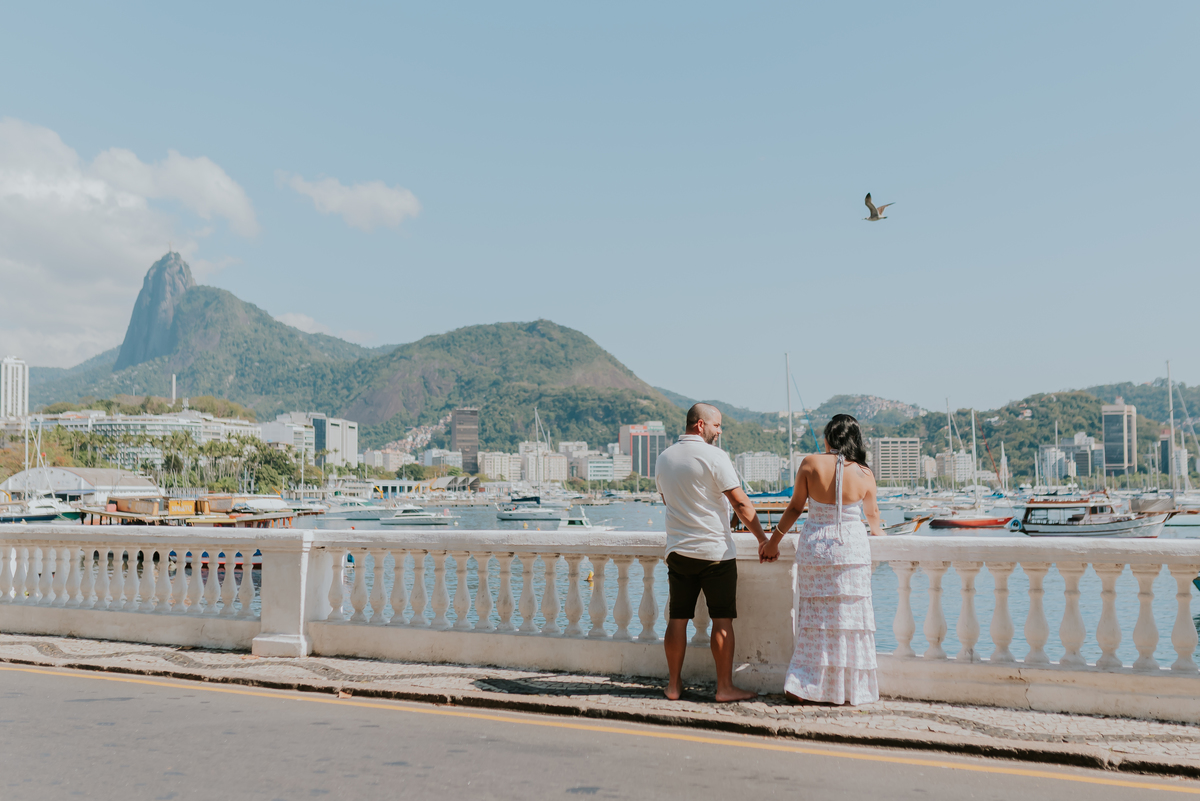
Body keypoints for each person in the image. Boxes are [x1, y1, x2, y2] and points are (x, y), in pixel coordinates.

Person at [760, 413, 883, 705]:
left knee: (816, 620)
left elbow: (793, 509)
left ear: (828, 439)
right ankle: (849, 690)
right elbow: (873, 517)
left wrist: (772, 543)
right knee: (849, 621)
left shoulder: (810, 463)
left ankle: (807, 686)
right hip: (851, 549)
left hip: (816, 547)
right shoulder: (865, 473)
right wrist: (879, 534)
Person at [655, 403, 771, 702]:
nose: (719, 432)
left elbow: (668, 500)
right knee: (722, 621)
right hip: (714, 552)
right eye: (717, 425)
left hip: (679, 550)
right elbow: (741, 504)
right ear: (700, 425)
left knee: (677, 619)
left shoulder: (664, 458)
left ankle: (673, 686)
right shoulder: (714, 456)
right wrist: (762, 538)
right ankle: (724, 688)